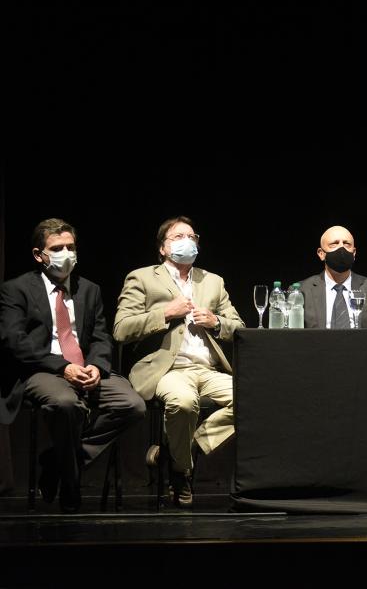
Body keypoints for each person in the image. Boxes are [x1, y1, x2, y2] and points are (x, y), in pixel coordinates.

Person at [0, 219, 145, 512]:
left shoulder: (88, 289)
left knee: (132, 405)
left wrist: (97, 367)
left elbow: (102, 337)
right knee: (66, 404)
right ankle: (70, 485)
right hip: (42, 370)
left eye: (70, 247)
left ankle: (59, 463)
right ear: (39, 254)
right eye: (57, 248)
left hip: (86, 367)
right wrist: (62, 366)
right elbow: (14, 341)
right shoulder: (16, 289)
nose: (66, 253)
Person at [113, 216, 244, 507]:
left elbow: (239, 327)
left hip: (208, 369)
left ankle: (176, 454)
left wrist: (216, 321)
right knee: (184, 402)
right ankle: (181, 474)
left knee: (254, 398)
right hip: (168, 369)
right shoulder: (143, 277)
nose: (186, 241)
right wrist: (165, 314)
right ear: (162, 248)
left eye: (191, 236)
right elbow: (121, 329)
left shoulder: (212, 281)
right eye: (177, 237)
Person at [299, 225, 367, 328]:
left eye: (347, 244)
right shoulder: (303, 290)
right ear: (321, 254)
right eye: (334, 244)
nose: (341, 248)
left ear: (354, 253)